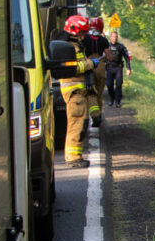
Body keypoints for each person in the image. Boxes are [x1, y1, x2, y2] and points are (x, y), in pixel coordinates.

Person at [44, 14, 97, 167]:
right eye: (81, 33)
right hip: (74, 92)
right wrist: (90, 64)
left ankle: (76, 156)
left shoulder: (73, 45)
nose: (83, 36)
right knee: (76, 124)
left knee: (81, 124)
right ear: (73, 31)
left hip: (79, 92)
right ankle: (73, 158)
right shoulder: (69, 47)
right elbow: (73, 67)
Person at [78, 16, 109, 126]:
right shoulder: (104, 40)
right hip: (100, 66)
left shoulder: (85, 38)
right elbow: (108, 55)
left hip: (88, 66)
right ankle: (98, 114)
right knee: (99, 93)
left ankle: (91, 115)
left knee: (90, 92)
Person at [101, 30, 131, 107]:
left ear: (117, 38)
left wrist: (128, 68)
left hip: (118, 68)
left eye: (116, 37)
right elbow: (101, 56)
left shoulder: (121, 47)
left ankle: (117, 101)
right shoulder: (106, 46)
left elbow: (127, 57)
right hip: (109, 68)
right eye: (113, 37)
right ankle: (111, 99)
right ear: (110, 37)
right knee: (109, 85)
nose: (114, 38)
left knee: (118, 84)